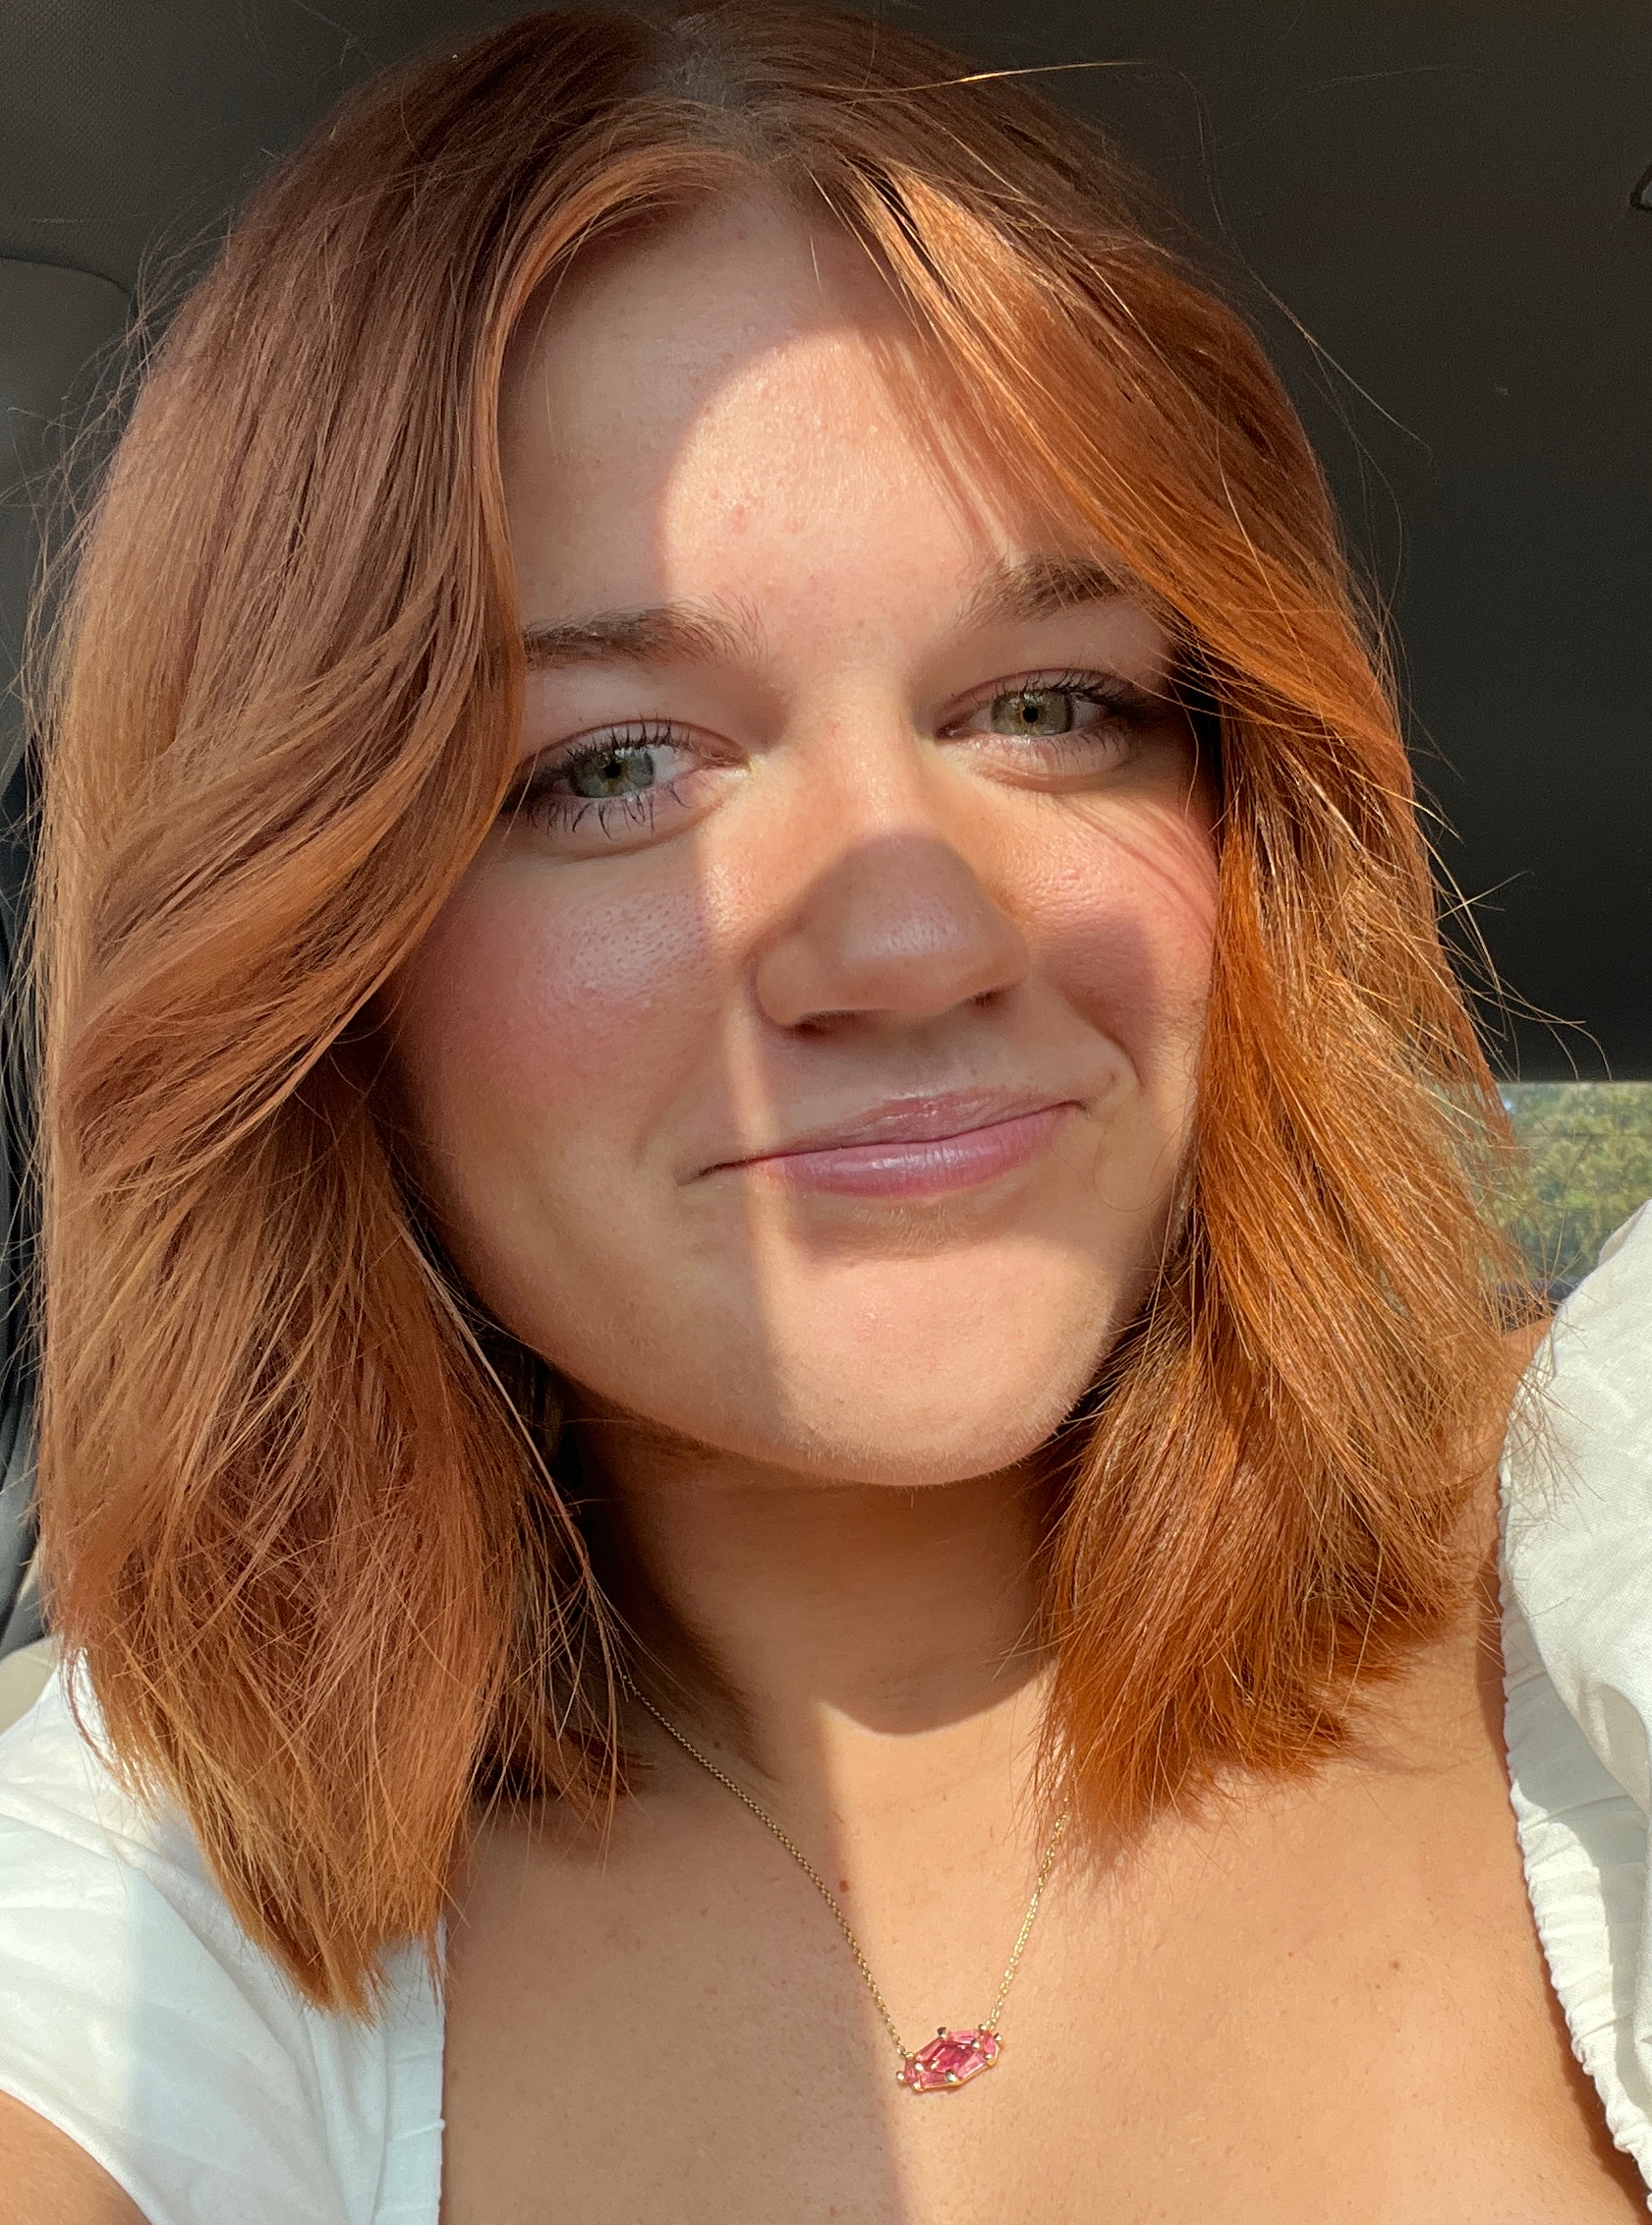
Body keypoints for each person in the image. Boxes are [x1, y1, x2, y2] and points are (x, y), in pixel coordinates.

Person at [0, 5, 1648, 2219]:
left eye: (1051, 706)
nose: (915, 942)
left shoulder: (1589, 1549)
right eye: (608, 764)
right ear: (320, 965)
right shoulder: (151, 1895)